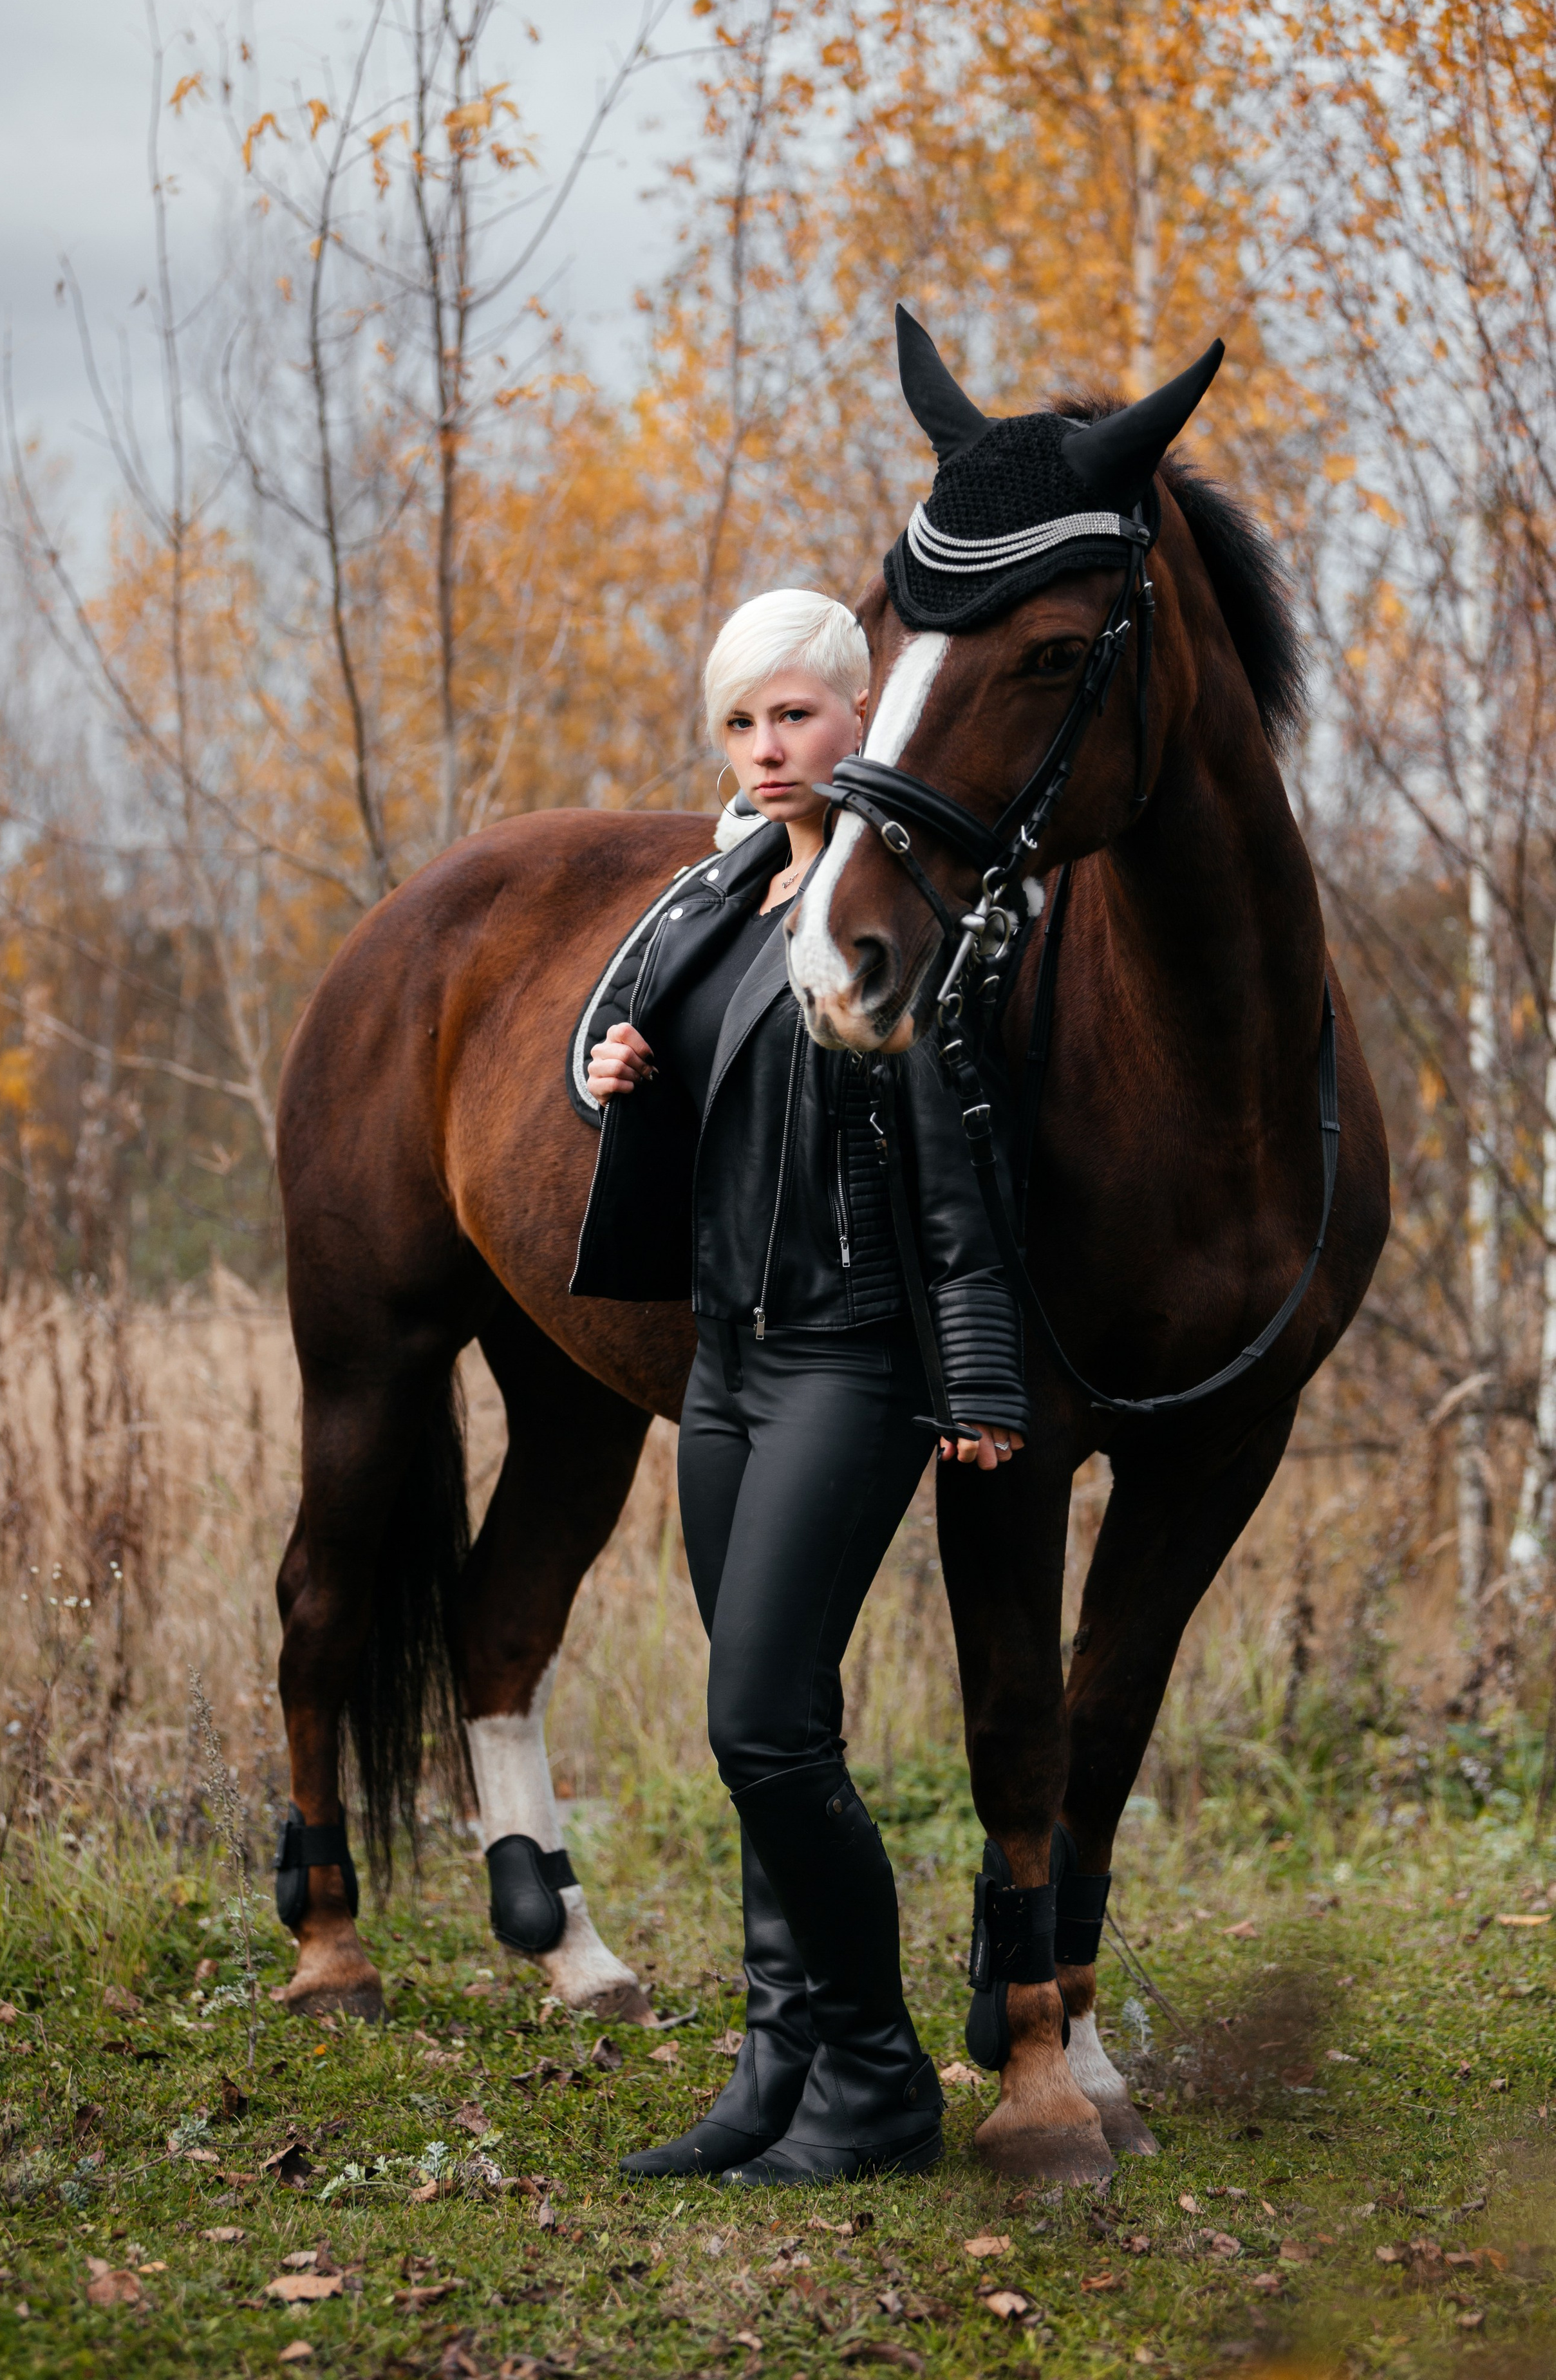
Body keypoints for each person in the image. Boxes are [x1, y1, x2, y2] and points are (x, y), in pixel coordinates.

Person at [568, 588, 1029, 2188]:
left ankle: (881, 2083)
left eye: (795, 716)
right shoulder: (712, 900)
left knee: (760, 1724)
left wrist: (976, 1370)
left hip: (848, 1360)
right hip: (724, 1369)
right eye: (741, 724)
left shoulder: (899, 911)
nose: (767, 749)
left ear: (862, 720)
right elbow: (626, 1057)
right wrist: (624, 1074)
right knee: (771, 1727)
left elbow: (961, 1171)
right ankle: (779, 2069)